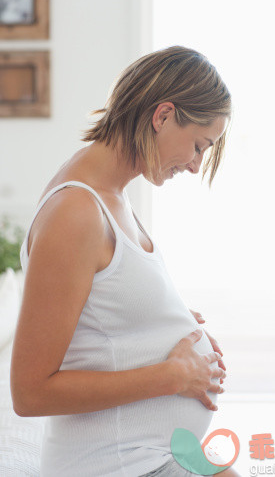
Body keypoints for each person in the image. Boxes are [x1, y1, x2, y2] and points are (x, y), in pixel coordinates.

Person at [10, 45, 240, 476]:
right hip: (116, 464)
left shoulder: (113, 196)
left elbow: (98, 313)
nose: (195, 166)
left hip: (158, 449)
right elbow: (30, 392)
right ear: (163, 115)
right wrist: (173, 376)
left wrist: (161, 322)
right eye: (197, 145)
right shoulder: (76, 212)